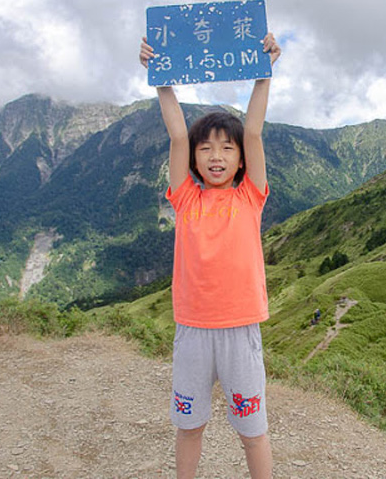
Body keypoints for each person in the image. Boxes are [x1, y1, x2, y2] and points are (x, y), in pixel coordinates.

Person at [140, 32, 281, 479]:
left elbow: (254, 129)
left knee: (252, 429)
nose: (215, 156)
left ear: (241, 160)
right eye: (206, 149)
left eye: (226, 148)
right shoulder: (185, 198)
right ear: (194, 161)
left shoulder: (250, 197)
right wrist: (161, 76)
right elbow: (177, 132)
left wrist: (264, 74)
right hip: (193, 329)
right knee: (189, 425)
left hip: (240, 328)